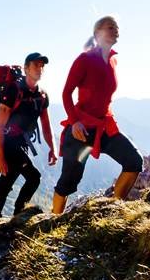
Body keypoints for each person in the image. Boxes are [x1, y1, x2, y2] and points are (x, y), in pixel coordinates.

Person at [53, 15, 143, 214]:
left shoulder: (113, 61)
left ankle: (114, 210)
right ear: (97, 33)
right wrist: (75, 122)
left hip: (104, 128)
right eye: (111, 27)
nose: (116, 30)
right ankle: (53, 220)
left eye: (117, 27)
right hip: (81, 130)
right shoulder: (84, 60)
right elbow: (66, 93)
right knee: (69, 181)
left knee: (134, 161)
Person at [0, 53, 57, 218]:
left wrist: (53, 148)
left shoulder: (42, 96)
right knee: (34, 177)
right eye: (36, 65)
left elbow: (46, 126)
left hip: (22, 143)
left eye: (42, 66)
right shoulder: (14, 91)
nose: (40, 69)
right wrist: (0, 156)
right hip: (9, 142)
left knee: (8, 178)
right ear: (26, 68)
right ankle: (18, 213)